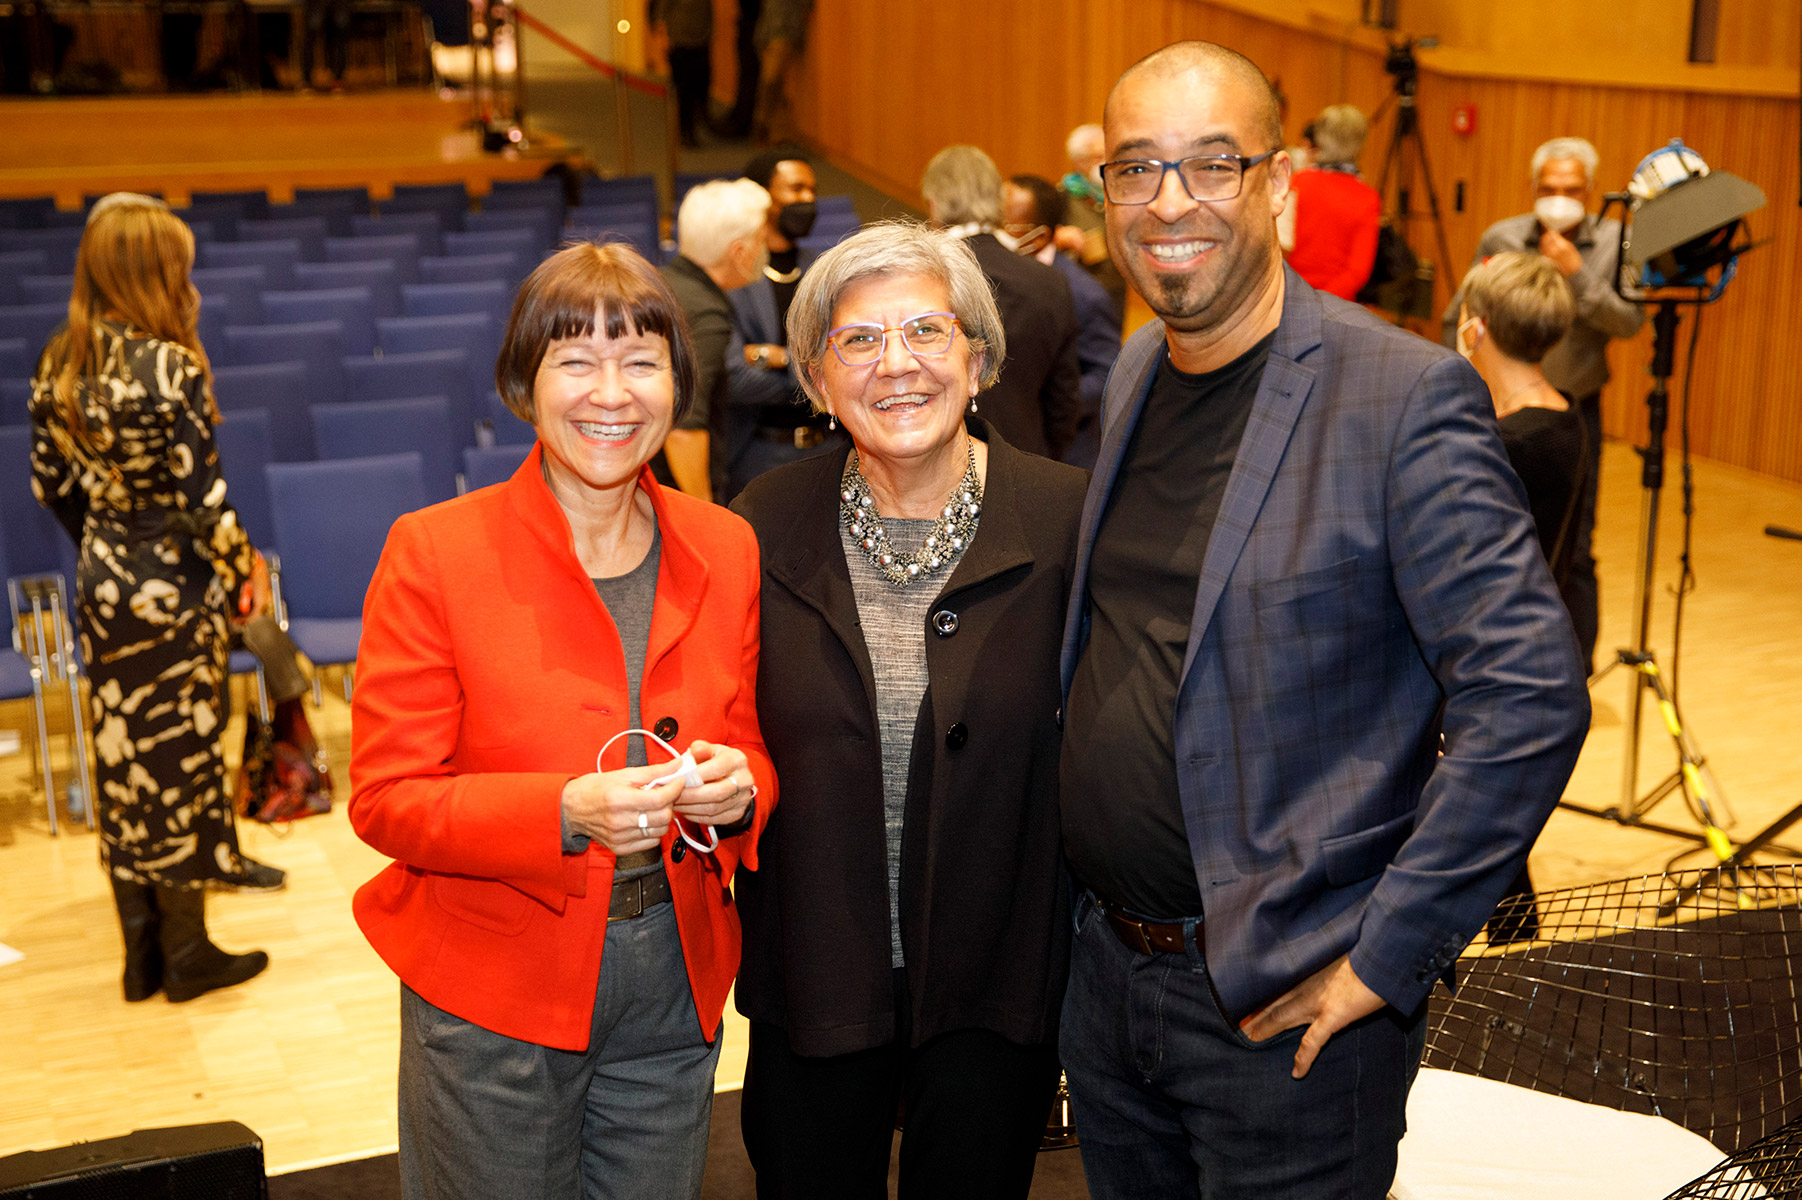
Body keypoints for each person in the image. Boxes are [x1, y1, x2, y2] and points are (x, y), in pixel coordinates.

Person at [1057, 42, 1591, 1199]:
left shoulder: (1398, 398)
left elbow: (1530, 693)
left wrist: (1388, 952)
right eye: (1135, 168)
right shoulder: (1139, 366)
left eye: (1211, 164)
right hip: (1106, 982)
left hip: (1286, 1013)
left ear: (1280, 185)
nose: (1168, 203)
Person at [348, 240, 775, 1199]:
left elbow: (748, 743)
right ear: (523, 384)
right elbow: (386, 800)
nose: (611, 394)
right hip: (491, 991)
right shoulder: (434, 554)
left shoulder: (727, 545)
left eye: (641, 361)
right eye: (575, 360)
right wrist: (563, 813)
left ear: (679, 384)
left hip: (674, 980)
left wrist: (736, 792)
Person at [730, 222, 1087, 1199]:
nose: (897, 365)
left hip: (995, 980)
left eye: (927, 332)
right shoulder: (759, 524)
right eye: (858, 340)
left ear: (976, 358)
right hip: (813, 971)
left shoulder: (1068, 522)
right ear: (814, 378)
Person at [29, 192, 281, 1005]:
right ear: (154, 271)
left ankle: (139, 956)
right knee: (181, 762)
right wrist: (247, 567)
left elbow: (50, 489)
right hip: (174, 592)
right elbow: (203, 502)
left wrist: (108, 544)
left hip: (102, 584)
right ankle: (187, 953)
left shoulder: (58, 362)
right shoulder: (168, 366)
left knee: (121, 760)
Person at [1442, 135, 1645, 671]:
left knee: (1573, 547)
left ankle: (1572, 670)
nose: (1560, 198)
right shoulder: (1503, 236)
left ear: (1591, 190)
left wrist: (1576, 273)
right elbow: (1457, 314)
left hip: (1570, 410)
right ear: (1533, 189)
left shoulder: (1618, 242)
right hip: (1496, 409)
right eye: (1549, 188)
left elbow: (1628, 322)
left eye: (1572, 189)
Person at [920, 145, 1081, 461]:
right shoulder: (1049, 281)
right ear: (998, 201)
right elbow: (1064, 402)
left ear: (933, 204)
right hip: (1026, 463)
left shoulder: (919, 278)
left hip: (931, 465)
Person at [723, 146, 843, 498]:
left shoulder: (825, 271)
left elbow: (843, 362)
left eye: (812, 190)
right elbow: (734, 380)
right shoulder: (735, 276)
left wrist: (777, 359)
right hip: (756, 455)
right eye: (795, 189)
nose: (808, 200)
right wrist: (812, 376)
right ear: (762, 197)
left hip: (829, 450)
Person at [661, 178, 771, 501]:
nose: (764, 252)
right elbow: (683, 426)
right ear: (739, 252)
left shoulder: (664, 283)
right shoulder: (706, 314)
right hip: (673, 498)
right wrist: (705, 518)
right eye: (761, 243)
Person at [1002, 173, 1121, 470]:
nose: (995, 234)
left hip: (1064, 456)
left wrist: (1048, 402)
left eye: (1006, 227)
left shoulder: (1085, 296)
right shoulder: (998, 276)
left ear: (1040, 236)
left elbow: (1107, 375)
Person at [1285, 104, 1381, 300]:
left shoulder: (1296, 182)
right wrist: (1322, 302)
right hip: (1336, 307)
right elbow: (1357, 272)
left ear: (1321, 137)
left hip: (1289, 296)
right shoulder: (1367, 197)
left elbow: (1278, 249)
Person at [650, 0, 714, 147]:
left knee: (699, 86)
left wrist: (708, 34)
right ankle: (685, 131)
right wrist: (664, 38)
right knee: (683, 91)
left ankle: (692, 128)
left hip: (700, 42)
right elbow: (661, 12)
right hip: (679, 42)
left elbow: (709, 12)